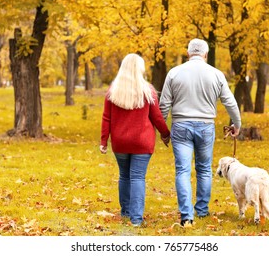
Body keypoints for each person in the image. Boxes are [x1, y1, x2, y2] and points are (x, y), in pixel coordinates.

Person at [159, 38, 241, 227]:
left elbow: (164, 104)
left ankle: (187, 215)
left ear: (188, 54)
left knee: (182, 170)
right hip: (205, 126)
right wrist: (236, 123)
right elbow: (230, 101)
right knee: (204, 169)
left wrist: (163, 129)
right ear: (205, 54)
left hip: (181, 126)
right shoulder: (216, 74)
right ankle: (202, 211)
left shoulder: (174, 73)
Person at [100, 53, 170, 227]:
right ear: (140, 69)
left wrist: (103, 141)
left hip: (120, 142)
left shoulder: (113, 91)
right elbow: (157, 117)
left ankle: (125, 212)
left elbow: (106, 118)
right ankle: (136, 219)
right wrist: (165, 133)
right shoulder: (148, 91)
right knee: (138, 177)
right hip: (142, 142)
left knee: (124, 176)